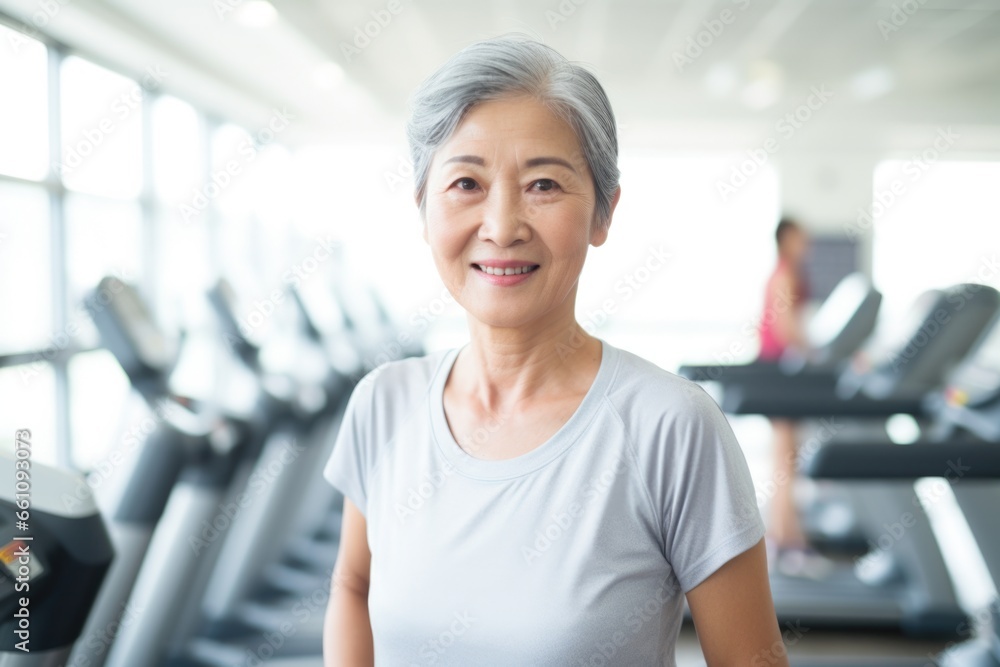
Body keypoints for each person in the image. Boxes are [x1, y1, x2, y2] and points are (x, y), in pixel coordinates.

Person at [322, 36, 785, 666]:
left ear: (603, 212)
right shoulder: (383, 404)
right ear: (423, 209)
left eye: (543, 184)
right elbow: (354, 586)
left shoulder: (670, 427)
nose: (503, 225)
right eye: (466, 182)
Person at [757, 218, 824, 576]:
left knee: (785, 460)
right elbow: (786, 328)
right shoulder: (785, 274)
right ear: (786, 240)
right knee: (786, 463)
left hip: (778, 370)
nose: (807, 243)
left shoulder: (784, 272)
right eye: (801, 237)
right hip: (778, 372)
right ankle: (790, 542)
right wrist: (819, 353)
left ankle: (783, 537)